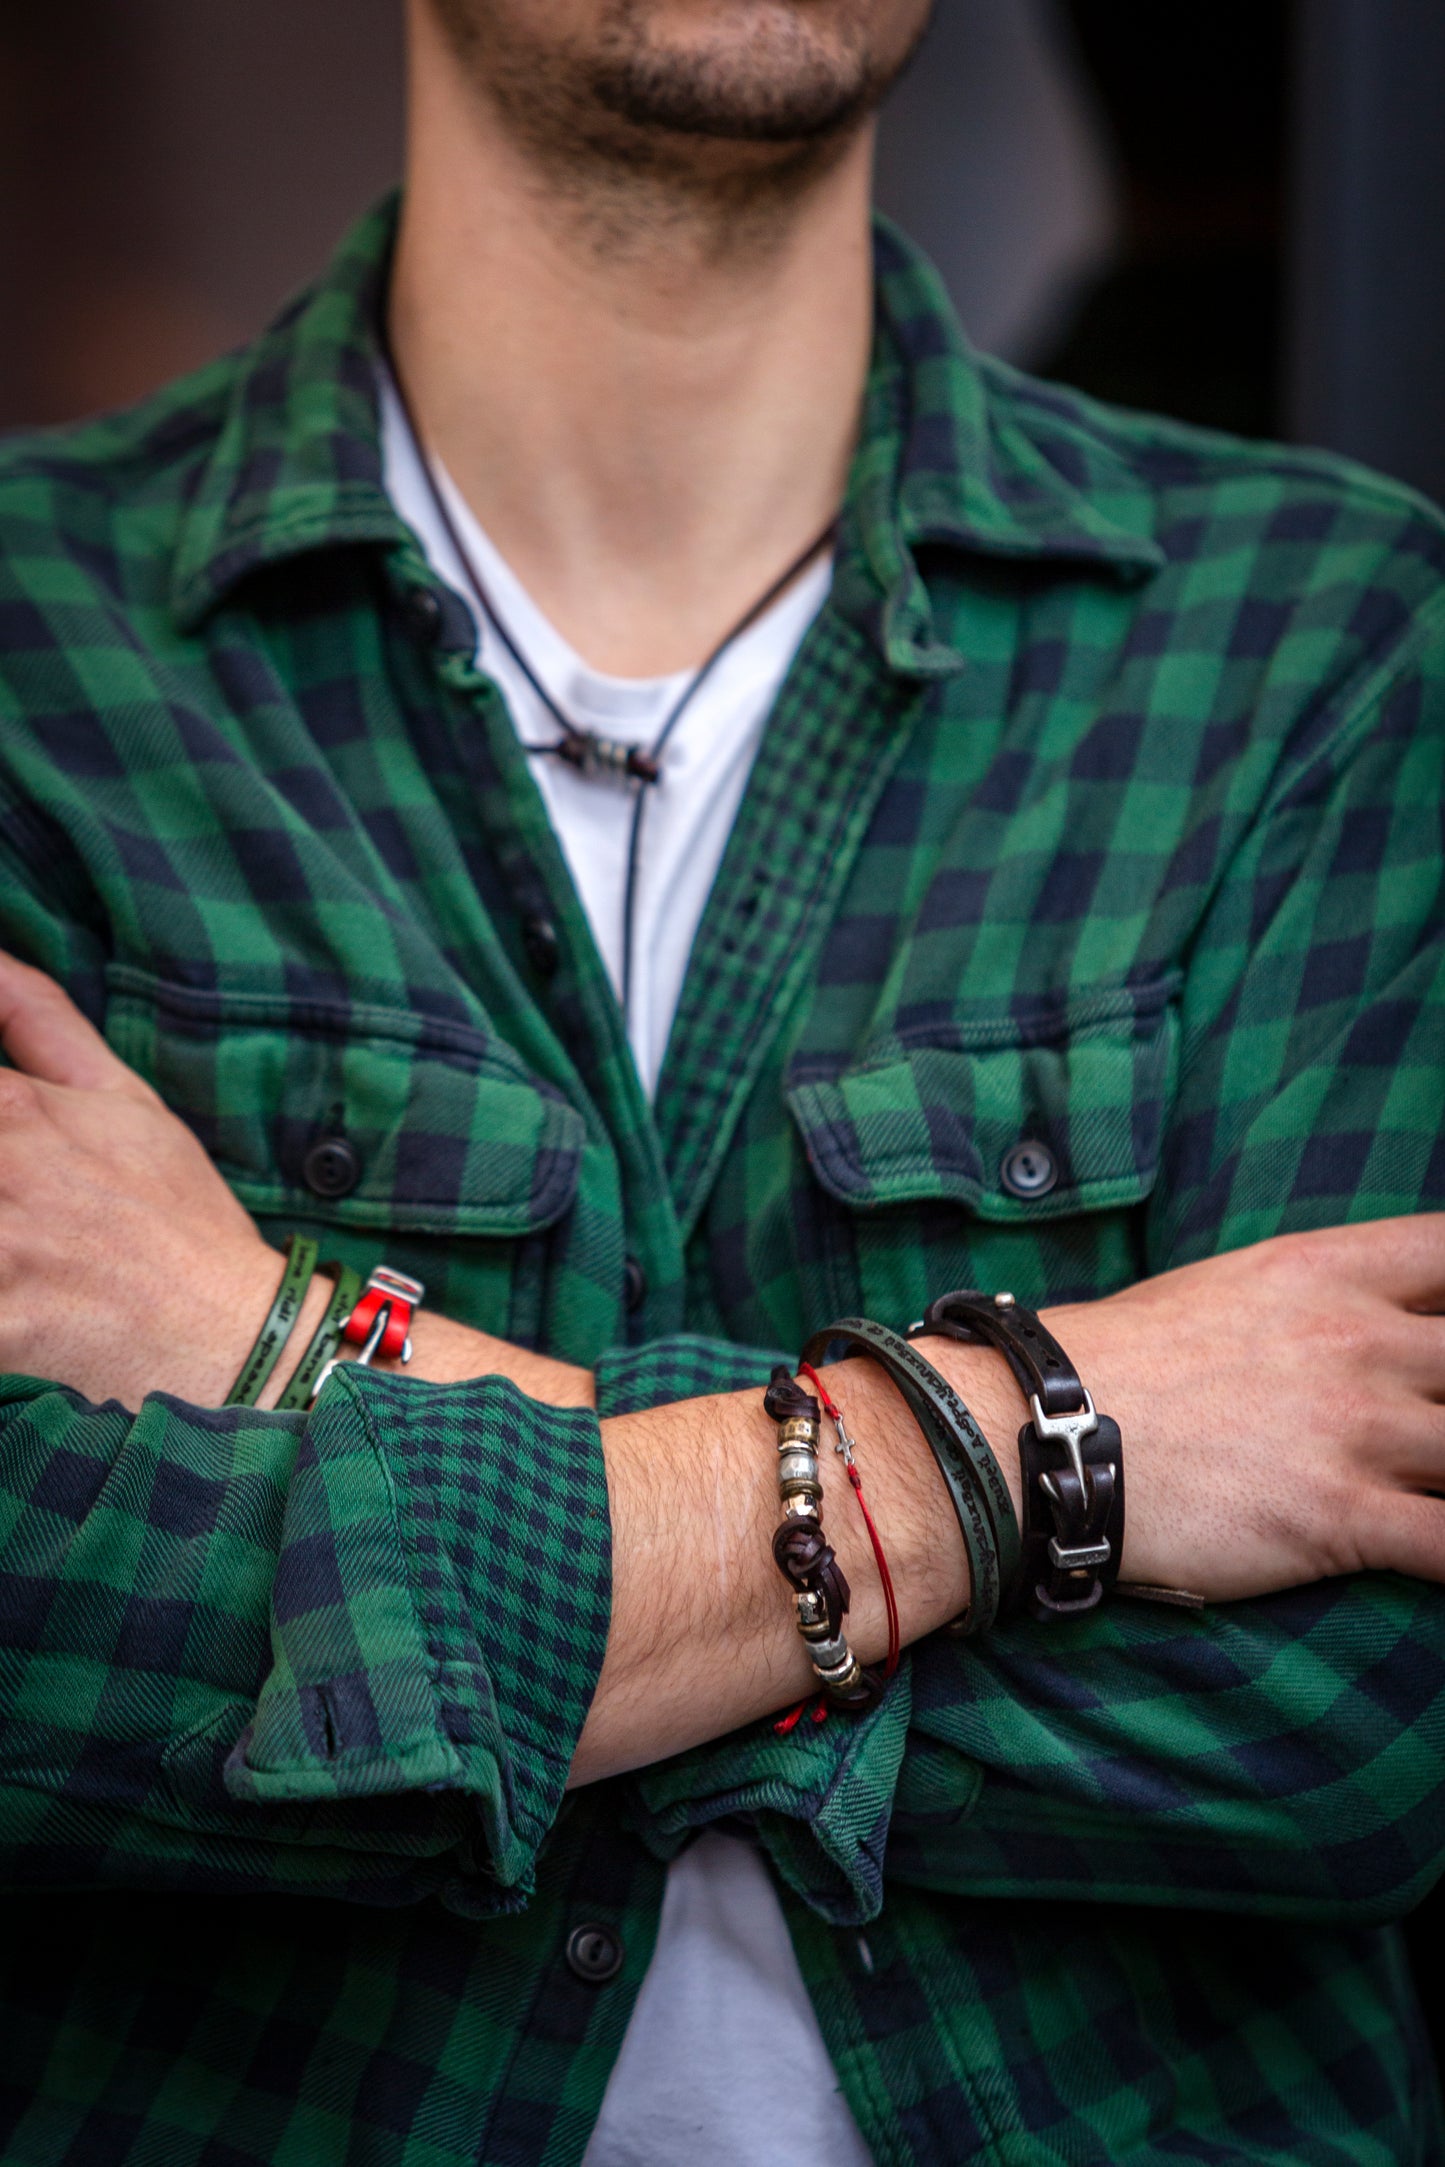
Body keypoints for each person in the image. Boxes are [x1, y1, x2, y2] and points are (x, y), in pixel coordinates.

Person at [0, 2, 1443, 2160]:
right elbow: (51, 1664)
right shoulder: (35, 651)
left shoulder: (1327, 649)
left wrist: (291, 1355)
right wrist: (1012, 1447)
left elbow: (1345, 1726)